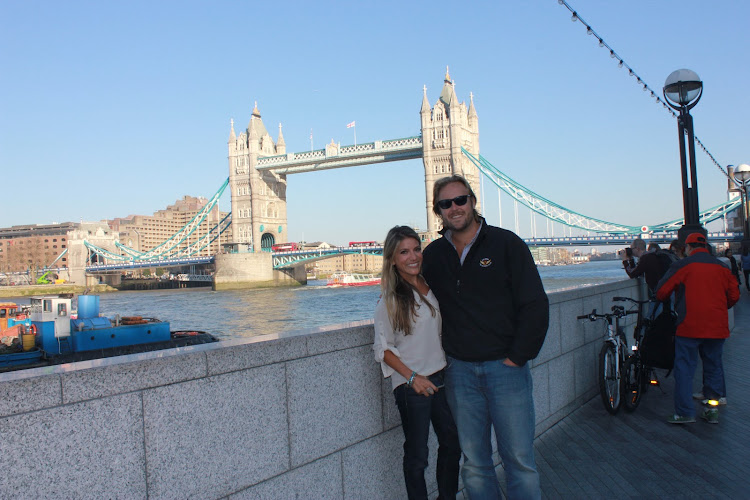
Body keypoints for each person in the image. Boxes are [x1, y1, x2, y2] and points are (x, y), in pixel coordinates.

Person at [421, 175, 549, 500]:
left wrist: (517, 357)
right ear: (438, 211)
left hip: (505, 369)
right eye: (445, 204)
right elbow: (414, 297)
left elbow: (535, 305)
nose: (454, 208)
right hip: (460, 372)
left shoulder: (507, 244)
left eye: (460, 200)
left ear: (473, 201)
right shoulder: (434, 255)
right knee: (475, 464)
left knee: (519, 461)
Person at [373, 225, 461, 500]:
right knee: (417, 455)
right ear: (392, 259)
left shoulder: (428, 285)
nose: (413, 257)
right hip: (412, 385)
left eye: (416, 249)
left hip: (440, 377)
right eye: (404, 252)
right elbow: (383, 349)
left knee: (451, 443)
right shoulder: (389, 300)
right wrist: (413, 379)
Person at [656, 232, 739, 424]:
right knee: (713, 366)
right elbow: (734, 295)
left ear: (688, 247)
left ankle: (685, 413)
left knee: (685, 368)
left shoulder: (682, 265)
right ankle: (711, 410)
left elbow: (661, 292)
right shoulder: (722, 266)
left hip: (689, 325)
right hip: (717, 326)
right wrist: (720, 307)